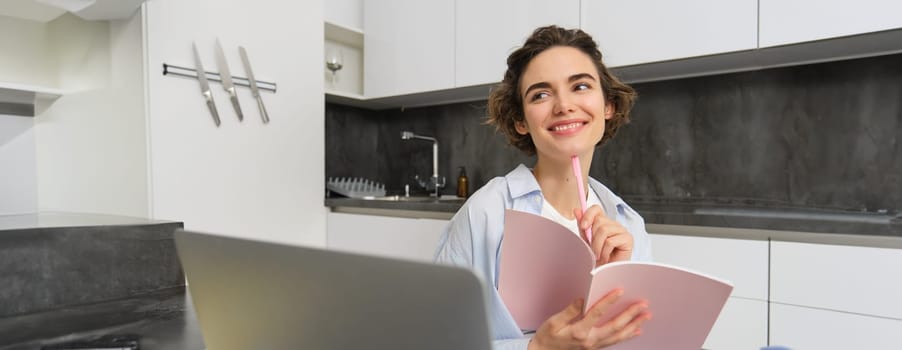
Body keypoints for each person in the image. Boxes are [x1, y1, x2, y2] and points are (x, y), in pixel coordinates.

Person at [434, 25, 653, 350]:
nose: (564, 105)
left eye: (580, 86)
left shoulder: (629, 224)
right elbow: (436, 339)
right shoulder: (485, 214)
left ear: (608, 106)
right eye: (540, 94)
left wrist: (613, 286)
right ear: (521, 120)